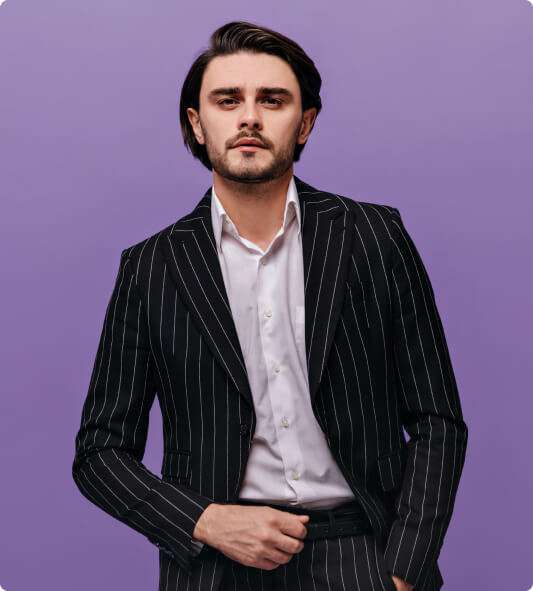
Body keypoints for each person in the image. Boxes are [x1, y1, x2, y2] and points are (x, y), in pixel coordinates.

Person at [72, 20, 468, 591]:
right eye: (228, 100)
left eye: (273, 100)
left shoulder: (374, 236)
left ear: (305, 123)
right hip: (213, 565)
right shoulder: (150, 267)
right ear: (197, 123)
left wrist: (404, 568)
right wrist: (203, 521)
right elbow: (99, 453)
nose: (249, 118)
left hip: (362, 554)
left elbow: (437, 419)